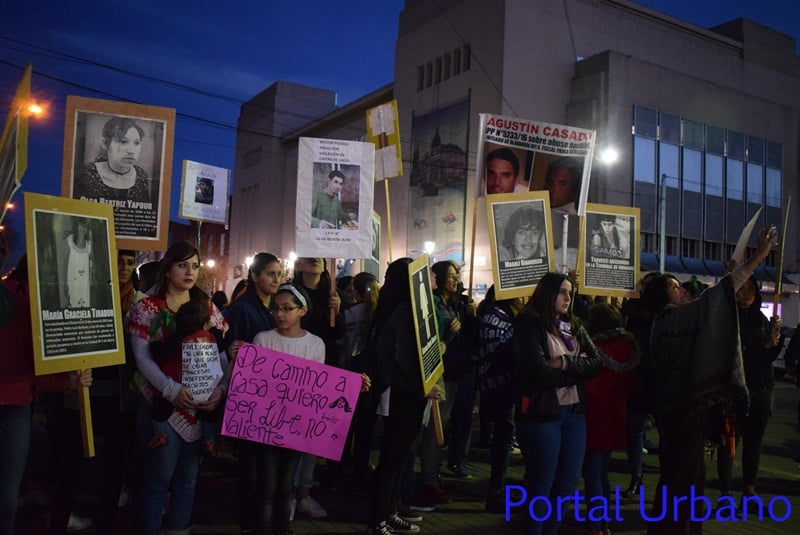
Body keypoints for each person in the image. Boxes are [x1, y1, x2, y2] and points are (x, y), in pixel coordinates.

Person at [645, 227, 778, 535]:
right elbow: (721, 294)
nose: (680, 291)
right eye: (675, 287)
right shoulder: (673, 318)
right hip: (685, 412)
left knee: (682, 477)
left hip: (672, 411)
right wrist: (759, 254)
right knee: (683, 480)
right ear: (664, 294)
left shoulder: (662, 323)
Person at [127, 242, 229, 535]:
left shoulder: (208, 309)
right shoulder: (147, 308)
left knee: (189, 478)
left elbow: (222, 357)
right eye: (182, 265)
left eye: (195, 266)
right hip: (162, 404)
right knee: (159, 477)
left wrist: (219, 391)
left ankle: (178, 529)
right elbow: (143, 357)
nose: (190, 272)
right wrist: (171, 389)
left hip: (201, 407)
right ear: (168, 268)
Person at [0, 252, 93, 535]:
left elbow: (37, 363)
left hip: (14, 410)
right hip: (16, 409)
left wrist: (69, 380)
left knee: (6, 497)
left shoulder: (17, 305)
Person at [511, 271, 604, 535]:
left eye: (570, 293)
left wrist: (565, 363)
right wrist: (577, 372)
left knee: (566, 485)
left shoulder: (573, 325)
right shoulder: (529, 324)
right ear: (548, 293)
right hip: (543, 415)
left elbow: (596, 363)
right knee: (541, 484)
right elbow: (537, 372)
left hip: (574, 415)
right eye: (563, 292)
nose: (568, 298)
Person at [247, 284, 326, 535]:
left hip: (296, 426)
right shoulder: (263, 339)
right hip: (266, 425)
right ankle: (263, 528)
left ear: (302, 310)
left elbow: (316, 386)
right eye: (276, 309)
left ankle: (282, 528)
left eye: (287, 309)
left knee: (286, 484)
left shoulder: (315, 344)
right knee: (267, 485)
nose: (280, 314)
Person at [366, 258, 430, 535]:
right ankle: (378, 520)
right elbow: (403, 358)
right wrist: (425, 381)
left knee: (397, 458)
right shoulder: (403, 311)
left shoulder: (397, 309)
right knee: (392, 460)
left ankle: (389, 513)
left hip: (405, 392)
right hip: (404, 393)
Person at [222, 252, 281, 535]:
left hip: (272, 396)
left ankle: (262, 517)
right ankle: (248, 520)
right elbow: (230, 346)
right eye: (270, 273)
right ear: (255, 276)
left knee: (265, 465)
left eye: (279, 274)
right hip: (250, 396)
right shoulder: (244, 308)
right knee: (250, 464)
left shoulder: (276, 307)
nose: (276, 279)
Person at [714, 276, 782, 503]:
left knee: (754, 442)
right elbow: (736, 354)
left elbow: (767, 358)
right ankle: (725, 493)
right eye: (742, 288)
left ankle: (749, 491)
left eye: (751, 288)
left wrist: (775, 339)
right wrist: (763, 344)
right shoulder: (728, 318)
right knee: (730, 441)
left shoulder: (761, 319)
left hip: (762, 386)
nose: (746, 293)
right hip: (736, 387)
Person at [289, 257, 346, 518]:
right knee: (289, 436)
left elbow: (338, 337)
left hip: (324, 373)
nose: (314, 258)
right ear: (298, 263)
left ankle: (304, 493)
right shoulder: (289, 293)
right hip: (293, 373)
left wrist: (340, 310)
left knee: (313, 438)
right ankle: (286, 491)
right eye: (309, 253)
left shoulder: (333, 296)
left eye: (320, 255)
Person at [581, 302, 639, 535]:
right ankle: (603, 523)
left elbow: (592, 387)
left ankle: (596, 525)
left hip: (596, 415)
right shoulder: (628, 347)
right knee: (601, 469)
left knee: (592, 471)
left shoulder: (596, 348)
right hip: (617, 413)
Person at [148, 299, 224, 454]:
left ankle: (158, 436)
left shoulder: (177, 338)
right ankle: (209, 440)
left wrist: (154, 345)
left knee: (160, 405)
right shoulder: (211, 336)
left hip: (179, 392)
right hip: (205, 391)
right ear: (205, 323)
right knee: (210, 413)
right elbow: (223, 346)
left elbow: (162, 353)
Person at [477, 286, 527, 513]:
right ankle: (496, 489)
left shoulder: (514, 317)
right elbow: (499, 351)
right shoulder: (494, 317)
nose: (524, 299)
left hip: (514, 386)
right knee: (504, 438)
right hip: (499, 386)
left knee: (509, 437)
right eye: (520, 294)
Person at [73, 116, 152, 204]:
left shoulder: (141, 176)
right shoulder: (88, 174)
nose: (131, 151)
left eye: (136, 143)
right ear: (105, 144)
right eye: (123, 142)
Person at [545, 157, 582, 270]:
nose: (553, 188)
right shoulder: (538, 213)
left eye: (562, 183)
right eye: (551, 182)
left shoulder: (581, 222)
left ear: (575, 187)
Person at [65, 218, 91, 308]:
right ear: (77, 226)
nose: (82, 228)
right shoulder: (69, 241)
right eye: (81, 225)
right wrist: (65, 284)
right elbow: (65, 263)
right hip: (72, 281)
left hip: (84, 284)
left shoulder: (89, 245)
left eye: (85, 226)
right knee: (73, 303)